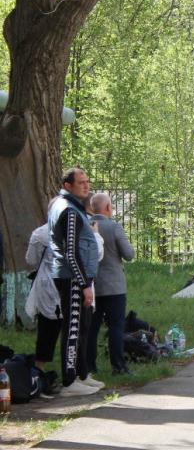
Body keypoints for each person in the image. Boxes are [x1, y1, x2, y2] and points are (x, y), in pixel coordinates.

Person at [48, 168, 103, 396]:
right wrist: (83, 285)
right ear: (67, 185)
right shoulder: (68, 210)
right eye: (80, 182)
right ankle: (70, 381)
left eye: (87, 182)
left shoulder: (73, 208)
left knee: (83, 327)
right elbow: (71, 252)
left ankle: (82, 374)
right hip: (72, 279)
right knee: (73, 328)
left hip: (79, 277)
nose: (86, 186)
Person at [86, 193, 136, 376]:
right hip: (114, 286)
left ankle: (89, 366)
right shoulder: (114, 227)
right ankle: (118, 366)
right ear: (107, 208)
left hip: (91, 286)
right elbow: (128, 254)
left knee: (92, 327)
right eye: (112, 206)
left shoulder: (86, 226)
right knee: (116, 325)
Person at [26, 218, 62, 394]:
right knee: (73, 331)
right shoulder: (74, 232)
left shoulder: (39, 233)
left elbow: (30, 259)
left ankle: (38, 370)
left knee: (46, 331)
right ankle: (74, 372)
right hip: (66, 286)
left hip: (46, 287)